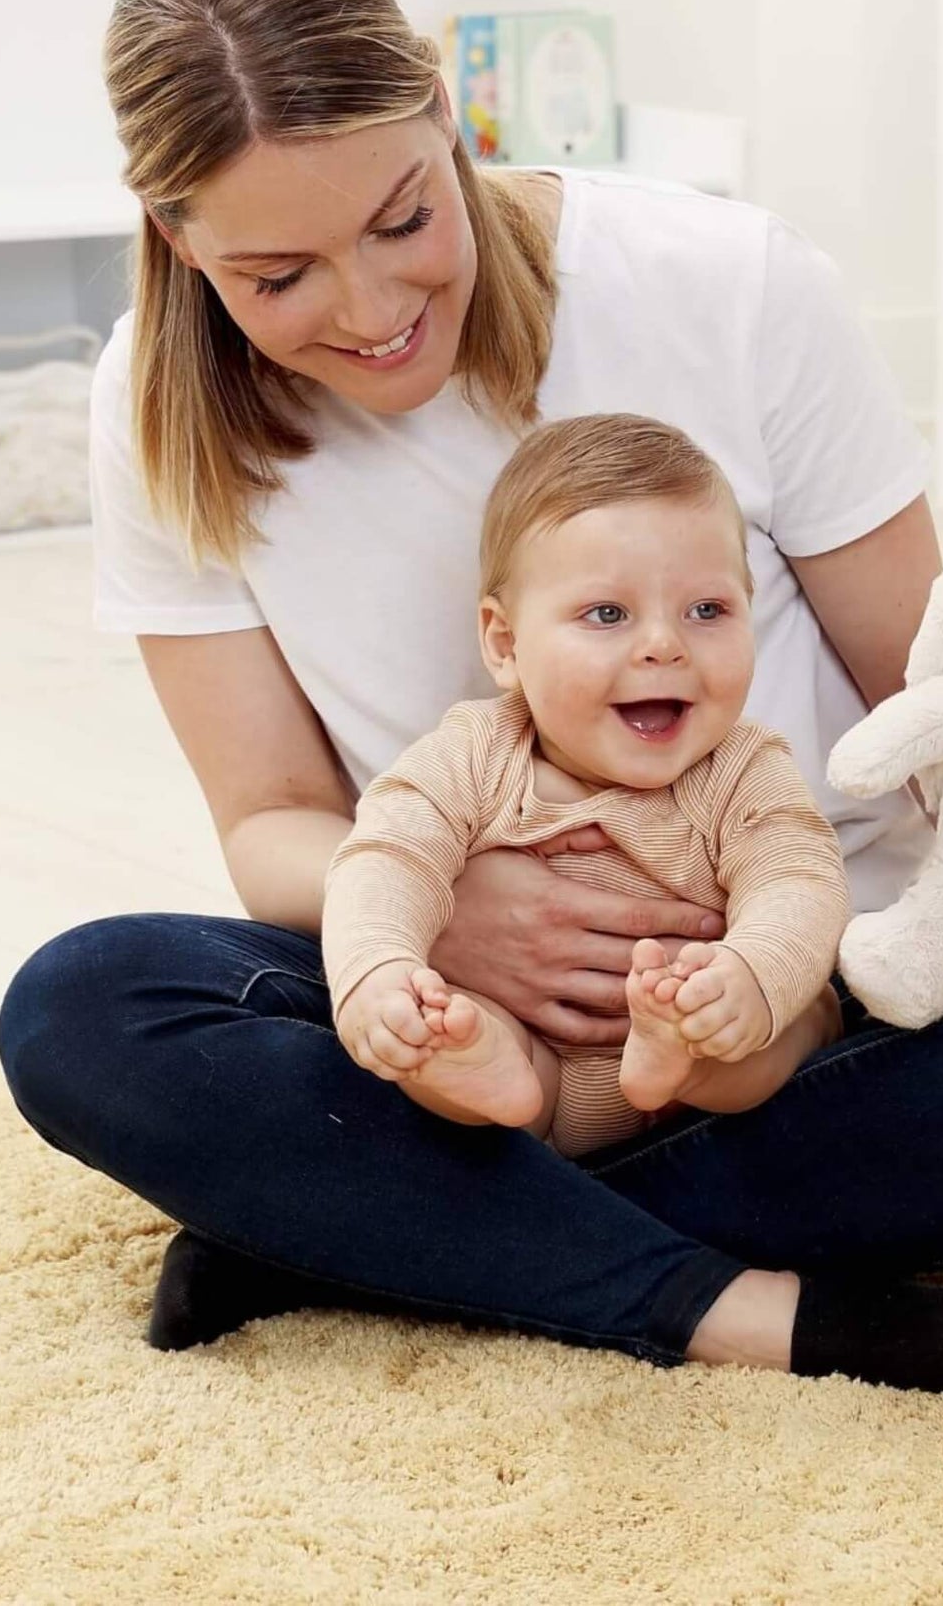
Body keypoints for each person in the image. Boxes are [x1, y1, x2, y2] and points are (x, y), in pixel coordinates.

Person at [0, 0, 943, 1399]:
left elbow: (931, 703)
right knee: (81, 1005)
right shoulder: (154, 408)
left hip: (810, 978)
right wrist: (455, 907)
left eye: (401, 219)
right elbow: (269, 821)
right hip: (457, 989)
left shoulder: (727, 283)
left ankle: (344, 1233)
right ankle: (766, 1313)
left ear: (444, 112)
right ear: (180, 241)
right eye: (280, 275)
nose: (367, 311)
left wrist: (781, 952)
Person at [326, 412, 850, 1152]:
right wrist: (378, 973)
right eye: (607, 614)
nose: (665, 646)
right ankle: (482, 1070)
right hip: (529, 1061)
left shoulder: (742, 767)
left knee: (803, 1020)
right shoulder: (475, 753)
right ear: (505, 644)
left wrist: (747, 978)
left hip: (703, 1080)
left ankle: (682, 1060)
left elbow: (800, 879)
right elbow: (385, 857)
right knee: (443, 1025)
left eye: (708, 610)